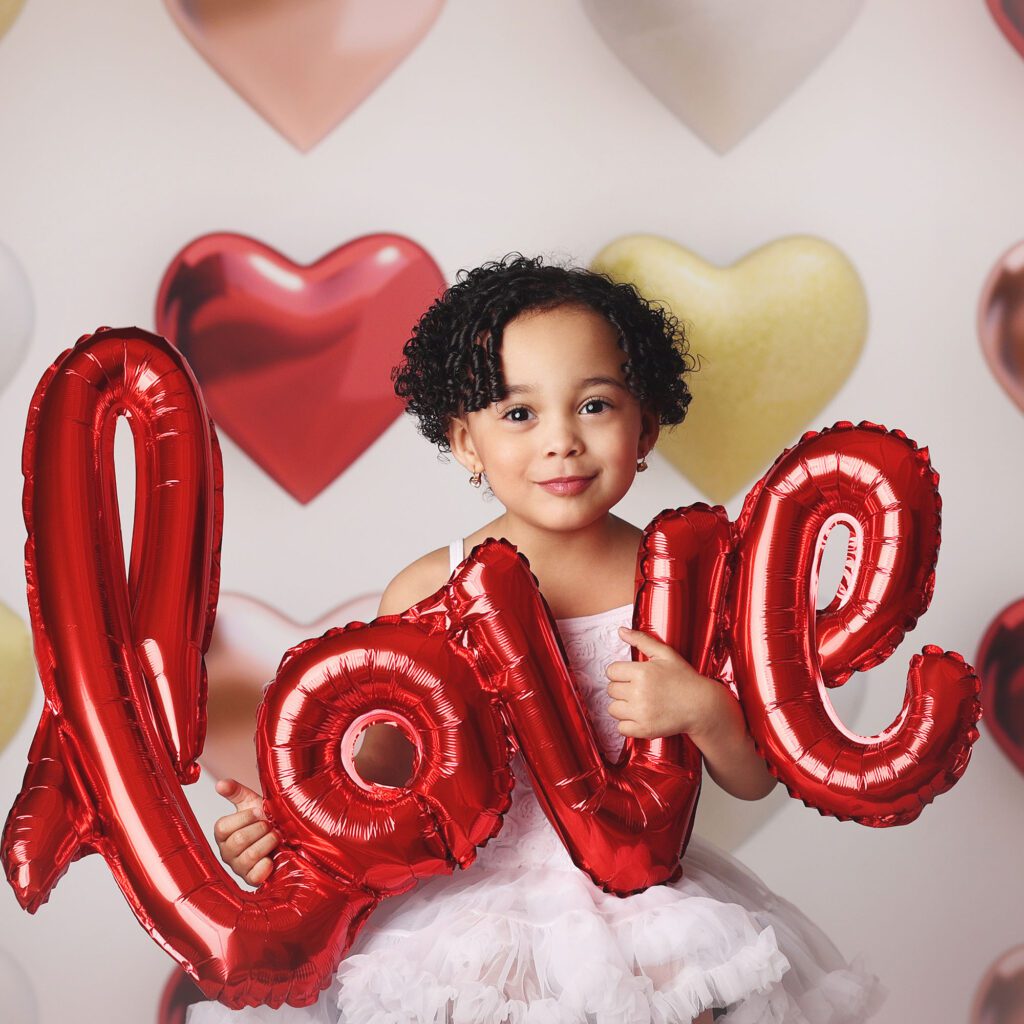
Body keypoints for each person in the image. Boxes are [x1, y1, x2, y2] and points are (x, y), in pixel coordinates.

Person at [188, 254, 887, 1023]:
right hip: (474, 919)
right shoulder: (428, 590)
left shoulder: (691, 582)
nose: (561, 441)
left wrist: (703, 710)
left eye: (594, 405)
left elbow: (757, 778)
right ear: (464, 442)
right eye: (519, 414)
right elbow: (384, 770)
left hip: (644, 911)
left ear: (646, 424)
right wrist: (294, 825)